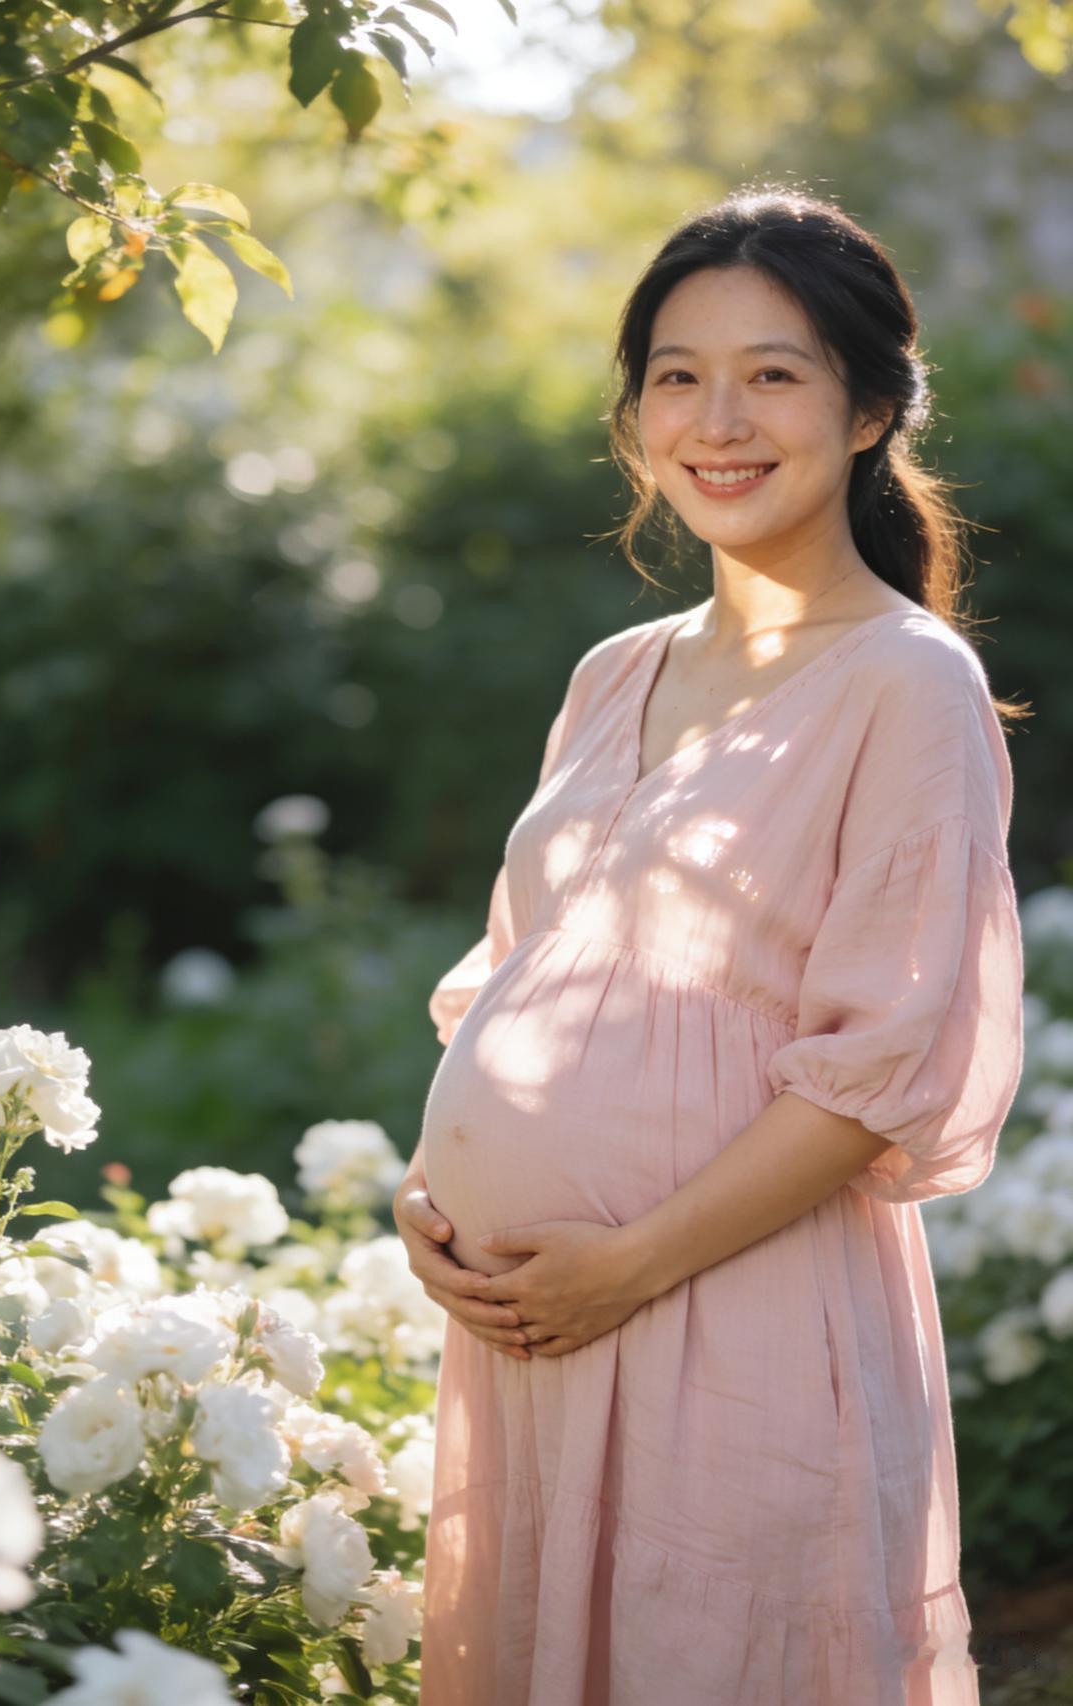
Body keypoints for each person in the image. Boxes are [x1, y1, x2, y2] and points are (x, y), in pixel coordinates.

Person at [393, 185, 1029, 1706]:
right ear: (633, 418)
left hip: (726, 1314)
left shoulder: (905, 681)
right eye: (677, 373)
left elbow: (879, 1069)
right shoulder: (615, 673)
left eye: (776, 371)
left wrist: (624, 1267)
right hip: (533, 1331)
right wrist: (431, 1197)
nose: (718, 417)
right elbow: (518, 978)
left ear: (871, 407)